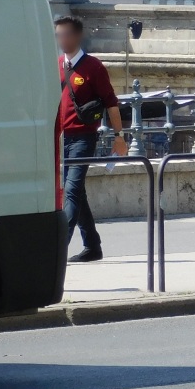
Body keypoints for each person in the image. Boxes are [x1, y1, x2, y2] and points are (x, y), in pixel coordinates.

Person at [55, 16, 126, 263]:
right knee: (77, 193)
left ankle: (57, 250)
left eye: (65, 35)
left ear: (76, 36)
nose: (61, 40)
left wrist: (119, 137)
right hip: (64, 139)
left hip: (84, 138)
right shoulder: (57, 66)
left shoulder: (93, 67)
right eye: (58, 35)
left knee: (71, 192)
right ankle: (93, 246)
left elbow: (112, 104)